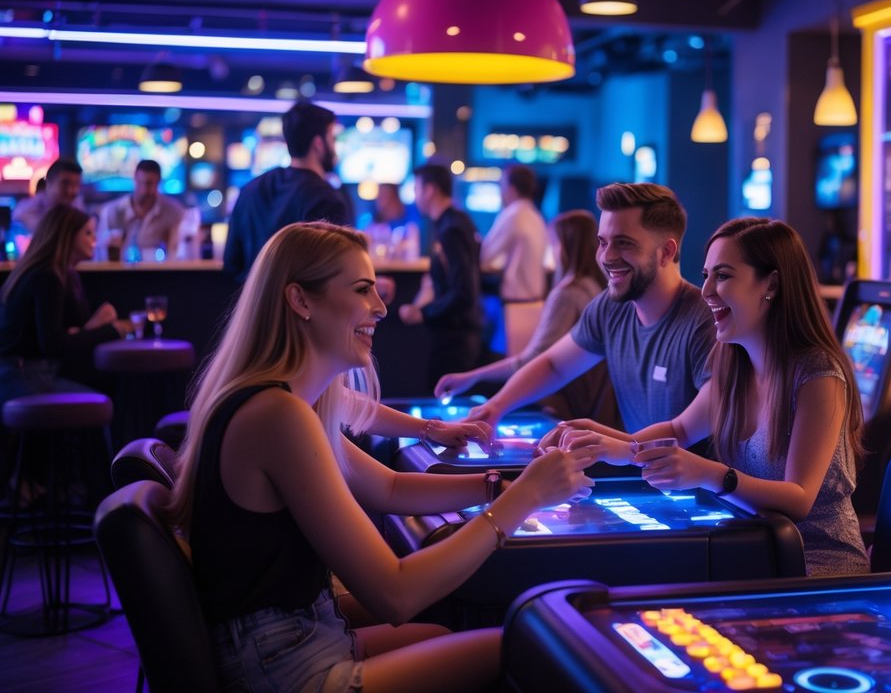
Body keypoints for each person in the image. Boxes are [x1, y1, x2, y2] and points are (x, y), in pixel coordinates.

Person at [168, 221, 593, 692]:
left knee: (444, 630)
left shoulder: (282, 402)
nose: (381, 307)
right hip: (285, 669)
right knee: (517, 648)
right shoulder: (276, 416)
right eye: (362, 290)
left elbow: (389, 486)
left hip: (293, 641)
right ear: (300, 300)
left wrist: (501, 487)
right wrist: (521, 501)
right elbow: (396, 593)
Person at [549, 218, 870, 577]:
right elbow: (679, 430)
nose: (706, 291)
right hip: (751, 551)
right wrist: (604, 442)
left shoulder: (818, 374)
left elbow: (799, 498)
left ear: (772, 284)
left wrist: (712, 475)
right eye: (706, 275)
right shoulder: (733, 363)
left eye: (723, 276)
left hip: (816, 562)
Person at [467, 183, 715, 435]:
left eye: (624, 243)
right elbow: (555, 365)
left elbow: (684, 432)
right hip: (639, 470)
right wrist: (495, 407)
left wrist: (606, 441)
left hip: (694, 475)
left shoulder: (703, 321)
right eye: (603, 242)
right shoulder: (610, 307)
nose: (607, 257)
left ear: (666, 251)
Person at [435, 209, 616, 422]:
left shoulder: (567, 294)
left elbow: (537, 361)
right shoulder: (595, 288)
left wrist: (472, 377)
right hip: (593, 408)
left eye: (553, 244)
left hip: (564, 407)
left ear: (565, 247)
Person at [0, 204, 134, 406]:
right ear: (68, 236)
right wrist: (113, 330)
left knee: (113, 386)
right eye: (88, 233)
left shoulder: (64, 275)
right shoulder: (46, 277)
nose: (94, 240)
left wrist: (92, 327)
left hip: (32, 372)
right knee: (100, 404)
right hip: (23, 376)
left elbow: (69, 333)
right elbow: (54, 344)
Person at [223, 101, 348, 282]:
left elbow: (231, 264)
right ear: (318, 144)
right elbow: (333, 275)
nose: (335, 148)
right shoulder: (327, 199)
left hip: (252, 308)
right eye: (332, 139)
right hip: (301, 309)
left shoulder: (249, 190)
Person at [398, 164, 483, 390]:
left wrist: (423, 313)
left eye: (416, 188)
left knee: (445, 409)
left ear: (430, 190)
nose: (415, 196)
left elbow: (464, 293)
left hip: (456, 337)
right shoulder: (454, 222)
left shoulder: (451, 229)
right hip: (458, 334)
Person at [480, 164, 548, 304]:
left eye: (502, 185)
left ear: (511, 189)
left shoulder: (512, 214)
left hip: (516, 298)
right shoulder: (537, 217)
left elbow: (485, 258)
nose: (501, 191)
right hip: (536, 298)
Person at [97, 159, 185, 261]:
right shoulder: (111, 211)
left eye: (150, 184)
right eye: (141, 183)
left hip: (158, 273)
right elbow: (100, 253)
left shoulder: (174, 211)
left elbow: (177, 254)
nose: (145, 190)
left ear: (158, 182)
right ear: (135, 178)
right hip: (119, 273)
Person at [12, 159, 84, 236]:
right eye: (65, 183)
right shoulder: (26, 211)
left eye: (76, 185)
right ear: (48, 183)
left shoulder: (77, 207)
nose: (71, 191)